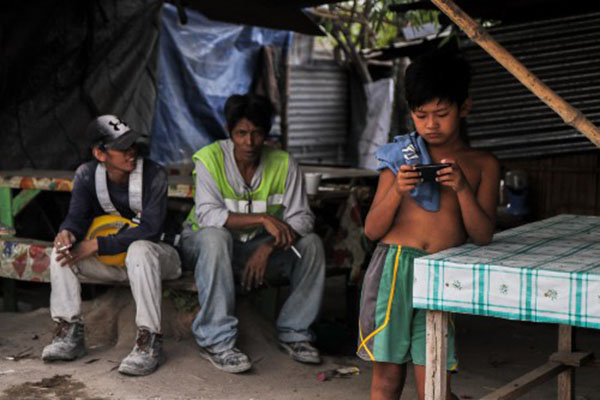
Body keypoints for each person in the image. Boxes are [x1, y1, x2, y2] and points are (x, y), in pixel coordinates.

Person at [358, 52, 500, 400]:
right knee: (387, 380)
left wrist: (463, 188)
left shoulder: (483, 164)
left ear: (464, 107)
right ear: (411, 114)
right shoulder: (398, 157)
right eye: (421, 116)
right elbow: (372, 231)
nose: (431, 125)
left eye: (442, 114)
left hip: (440, 276)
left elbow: (483, 235)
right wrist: (397, 190)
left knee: (434, 384)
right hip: (393, 271)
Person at [180, 93, 325, 373]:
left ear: (266, 134)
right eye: (241, 133)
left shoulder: (284, 163)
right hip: (204, 248)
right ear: (229, 132)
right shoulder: (209, 159)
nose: (249, 142)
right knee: (215, 236)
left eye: (257, 133)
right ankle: (217, 341)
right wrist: (262, 217)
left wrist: (268, 246)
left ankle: (295, 333)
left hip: (255, 248)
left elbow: (303, 217)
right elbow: (208, 215)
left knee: (312, 245)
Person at [41, 115, 182, 376]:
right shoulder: (86, 175)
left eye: (132, 145)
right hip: (118, 264)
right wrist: (67, 232)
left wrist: (97, 245)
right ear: (100, 153)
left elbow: (150, 230)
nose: (131, 152)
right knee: (61, 253)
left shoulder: (153, 174)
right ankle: (69, 333)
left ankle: (149, 340)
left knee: (140, 249)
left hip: (161, 259)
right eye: (122, 148)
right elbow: (76, 216)